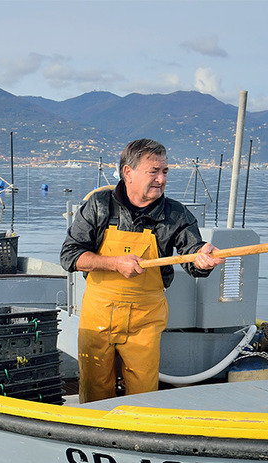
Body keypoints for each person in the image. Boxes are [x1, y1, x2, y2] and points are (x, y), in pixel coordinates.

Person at [60, 138, 224, 403]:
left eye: (165, 171)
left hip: (145, 319)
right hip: (98, 314)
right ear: (128, 172)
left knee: (143, 393)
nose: (161, 179)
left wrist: (202, 260)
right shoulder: (99, 206)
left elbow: (192, 256)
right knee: (94, 389)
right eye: (154, 171)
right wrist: (115, 263)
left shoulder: (176, 214)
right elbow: (70, 256)